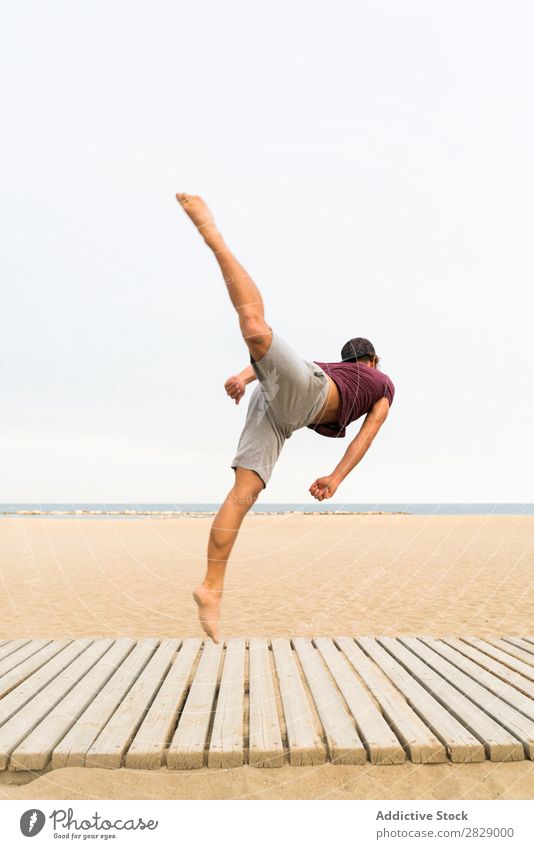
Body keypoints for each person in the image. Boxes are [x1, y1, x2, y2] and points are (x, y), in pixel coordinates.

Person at [176, 193, 395, 642]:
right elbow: (365, 438)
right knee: (255, 328)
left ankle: (211, 588)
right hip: (302, 398)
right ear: (373, 360)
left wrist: (243, 378)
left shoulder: (337, 368)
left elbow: (277, 365)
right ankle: (211, 232)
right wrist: (336, 478)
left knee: (242, 493)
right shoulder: (382, 382)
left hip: (281, 410)